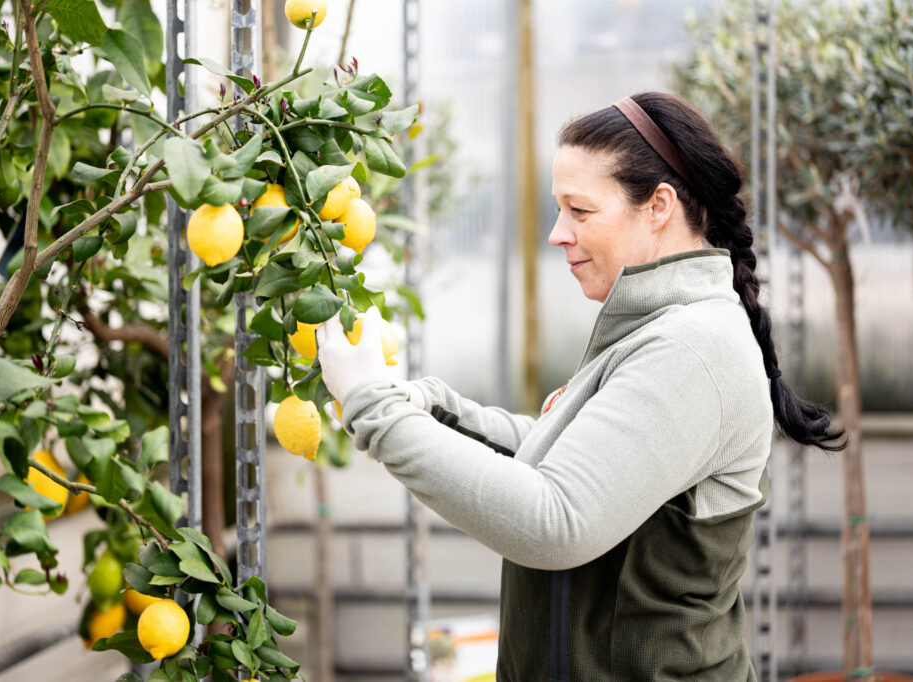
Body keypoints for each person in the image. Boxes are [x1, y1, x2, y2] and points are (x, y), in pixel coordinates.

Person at [315, 92, 844, 681]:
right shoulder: (651, 326)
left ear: (658, 206)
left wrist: (376, 411)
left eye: (579, 211)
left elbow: (556, 520)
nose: (557, 234)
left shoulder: (692, 349)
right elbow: (569, 458)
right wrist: (431, 409)